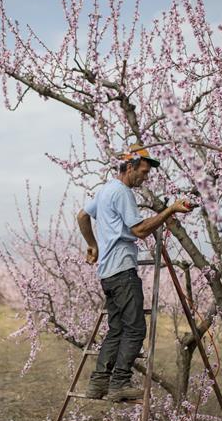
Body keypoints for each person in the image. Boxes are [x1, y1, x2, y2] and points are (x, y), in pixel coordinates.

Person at [77, 144, 193, 402]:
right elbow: (140, 230)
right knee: (135, 329)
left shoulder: (105, 190)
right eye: (142, 171)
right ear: (129, 167)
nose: (145, 177)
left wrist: (93, 245)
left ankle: (98, 384)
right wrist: (169, 210)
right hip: (122, 270)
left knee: (116, 328)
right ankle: (119, 384)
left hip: (107, 272)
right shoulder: (122, 192)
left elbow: (82, 216)